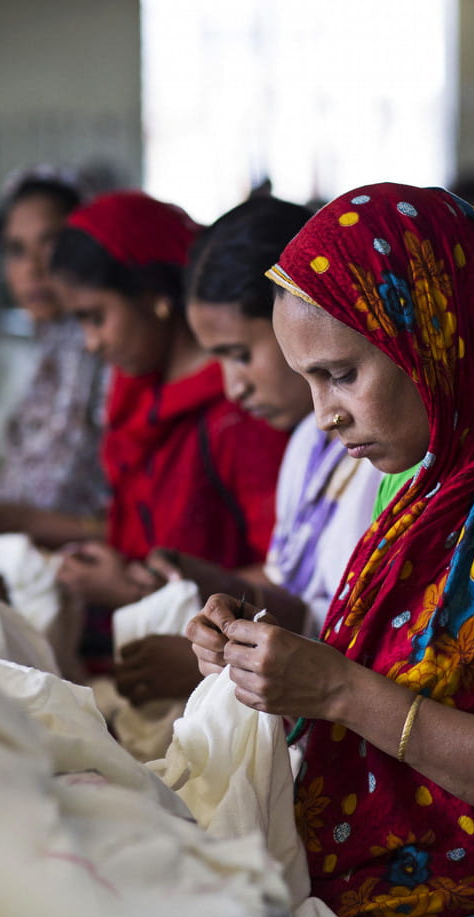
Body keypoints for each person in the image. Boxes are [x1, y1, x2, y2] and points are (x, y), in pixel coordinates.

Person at [188, 182, 474, 917]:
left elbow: (369, 695)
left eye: (341, 373)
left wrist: (336, 688)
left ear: (433, 332)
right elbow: (401, 671)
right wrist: (269, 661)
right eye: (308, 381)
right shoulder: (434, 486)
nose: (323, 413)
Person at [115, 197, 383, 708]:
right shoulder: (310, 444)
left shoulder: (387, 455)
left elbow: (372, 649)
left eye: (241, 355)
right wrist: (222, 601)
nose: (233, 388)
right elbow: (305, 604)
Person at [50, 191, 290, 621]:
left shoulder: (243, 413)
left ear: (153, 298)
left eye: (96, 317)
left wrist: (141, 592)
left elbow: (291, 580)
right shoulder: (140, 397)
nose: (91, 342)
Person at [0, 168, 109, 549]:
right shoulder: (41, 352)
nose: (32, 269)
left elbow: (123, 521)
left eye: (50, 245)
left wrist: (16, 520)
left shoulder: (109, 350)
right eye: (17, 250)